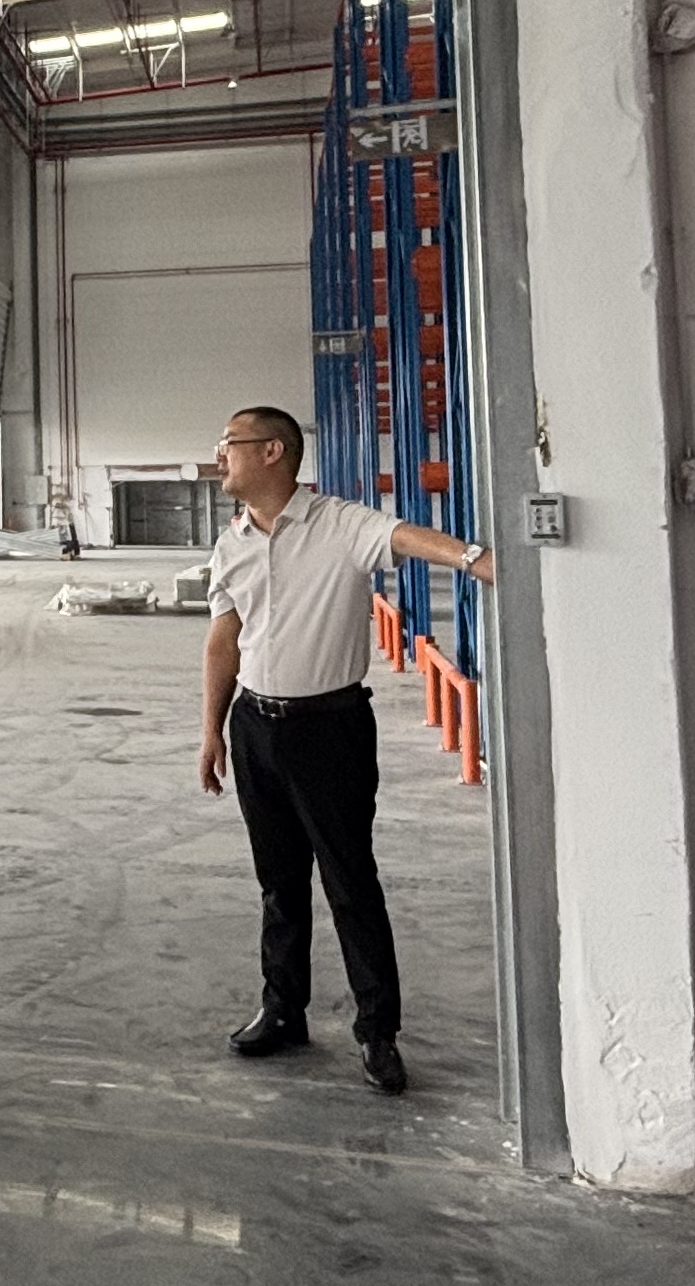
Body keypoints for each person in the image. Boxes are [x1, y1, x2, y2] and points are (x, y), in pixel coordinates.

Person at [194, 403, 494, 1098]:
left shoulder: (338, 524)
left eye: (229, 443)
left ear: (272, 451)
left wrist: (474, 558)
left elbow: (405, 536)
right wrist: (212, 730)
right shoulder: (232, 543)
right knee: (279, 882)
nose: (219, 457)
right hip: (255, 726)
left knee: (350, 882)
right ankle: (283, 1010)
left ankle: (377, 1032)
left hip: (330, 731)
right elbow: (222, 641)